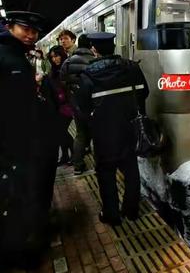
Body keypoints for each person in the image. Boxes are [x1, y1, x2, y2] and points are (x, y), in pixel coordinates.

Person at [0, 11, 57, 265]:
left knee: (23, 194)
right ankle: (21, 253)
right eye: (25, 29)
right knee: (18, 197)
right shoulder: (5, 55)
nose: (31, 35)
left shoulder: (14, 55)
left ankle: (24, 244)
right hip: (13, 143)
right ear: (9, 26)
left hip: (23, 139)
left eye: (34, 31)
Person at [76, 32, 149, 225]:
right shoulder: (132, 68)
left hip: (103, 132)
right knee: (131, 169)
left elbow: (83, 108)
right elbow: (144, 93)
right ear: (114, 46)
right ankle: (132, 210)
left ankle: (112, 215)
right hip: (129, 128)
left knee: (106, 173)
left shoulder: (87, 75)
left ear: (94, 50)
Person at [60, 34, 94, 175]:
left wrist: (72, 97)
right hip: (93, 104)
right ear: (91, 46)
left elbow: (63, 82)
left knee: (80, 134)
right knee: (96, 134)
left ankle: (78, 166)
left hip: (77, 104)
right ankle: (100, 166)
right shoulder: (95, 60)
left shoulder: (68, 62)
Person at [47, 45, 74, 166]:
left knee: (61, 131)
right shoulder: (52, 71)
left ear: (62, 55)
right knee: (60, 132)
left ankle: (73, 154)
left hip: (67, 105)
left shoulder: (68, 67)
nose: (54, 59)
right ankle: (65, 155)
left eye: (56, 56)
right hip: (57, 106)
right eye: (52, 57)